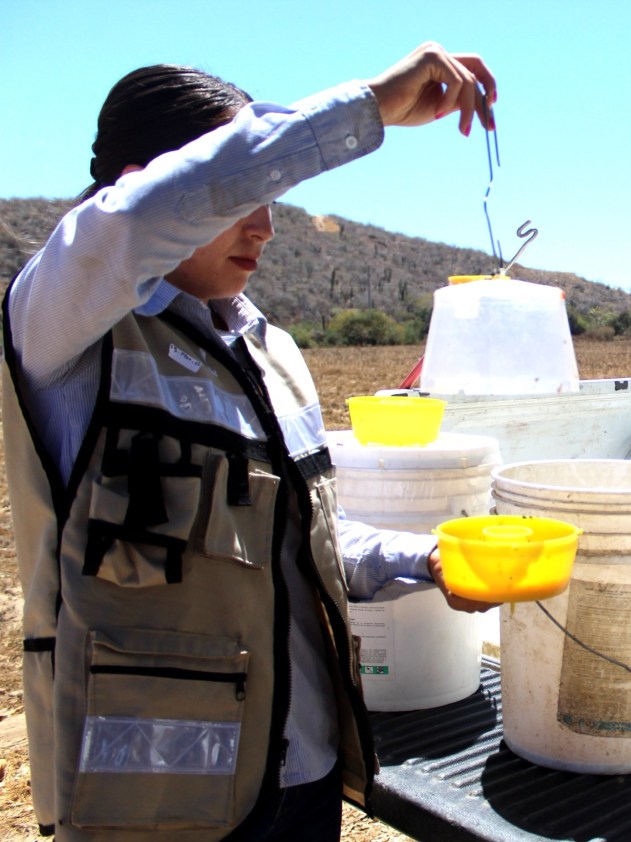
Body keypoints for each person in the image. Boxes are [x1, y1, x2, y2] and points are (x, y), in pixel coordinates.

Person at [1, 42, 497, 841]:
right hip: (152, 808)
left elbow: (298, 538)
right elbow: (142, 217)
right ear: (145, 183)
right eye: (243, 194)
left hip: (300, 780)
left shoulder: (274, 352)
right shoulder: (64, 324)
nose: (265, 224)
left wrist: (424, 560)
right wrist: (368, 106)